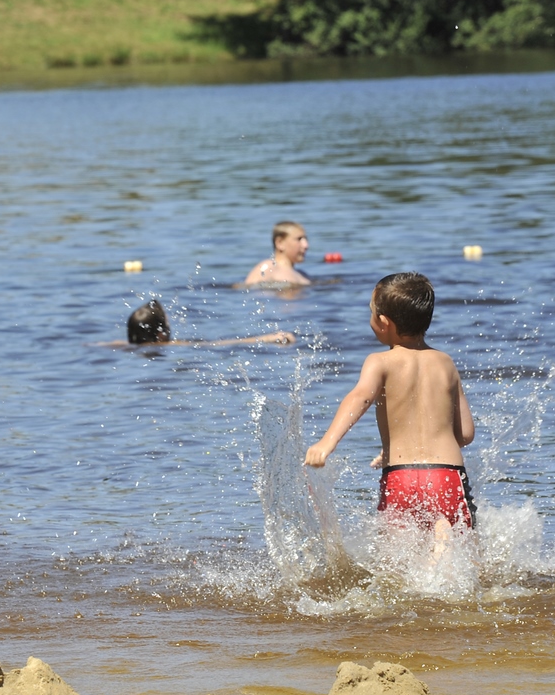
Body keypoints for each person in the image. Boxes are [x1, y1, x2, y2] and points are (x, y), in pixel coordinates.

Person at [303, 272, 476, 542]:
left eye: (371, 312)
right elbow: (465, 434)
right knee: (464, 553)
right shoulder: (445, 363)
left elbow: (360, 396)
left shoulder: (379, 361)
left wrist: (327, 443)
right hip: (446, 475)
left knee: (397, 564)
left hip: (400, 476)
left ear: (384, 322)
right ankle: (442, 540)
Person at [105, 299, 296, 347]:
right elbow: (217, 344)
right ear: (162, 334)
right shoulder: (171, 345)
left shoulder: (123, 346)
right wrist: (268, 338)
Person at [242, 221, 312, 287]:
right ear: (280, 243)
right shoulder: (268, 268)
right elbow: (247, 291)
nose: (306, 245)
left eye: (305, 239)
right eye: (299, 239)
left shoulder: (302, 274)